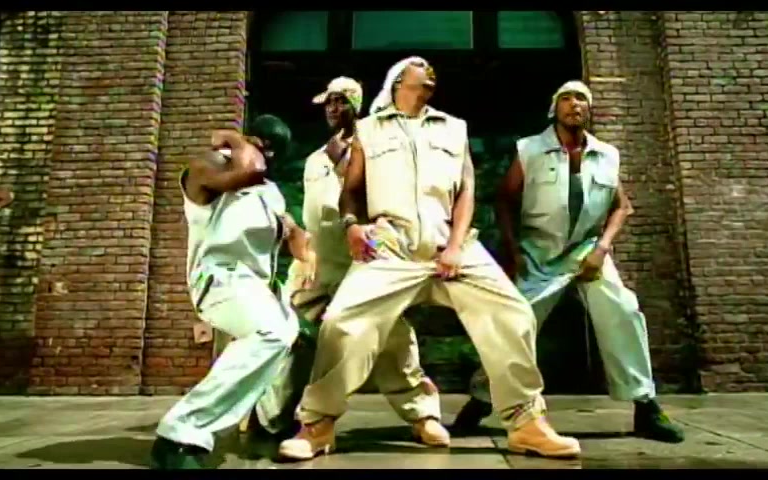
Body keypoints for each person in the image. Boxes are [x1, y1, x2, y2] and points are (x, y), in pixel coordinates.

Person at [277, 57, 581, 462]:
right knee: (343, 323)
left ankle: (527, 423)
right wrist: (352, 226)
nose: (429, 70)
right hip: (390, 246)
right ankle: (317, 425)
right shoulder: (369, 129)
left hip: (449, 243)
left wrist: (455, 246)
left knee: (514, 314)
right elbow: (351, 190)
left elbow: (467, 190)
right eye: (419, 67)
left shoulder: (454, 128)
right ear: (399, 82)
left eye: (431, 69)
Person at [452, 80, 685, 444]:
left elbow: (621, 206)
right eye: (566, 98)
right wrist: (513, 252)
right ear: (554, 109)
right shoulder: (530, 149)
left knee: (622, 310)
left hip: (586, 250)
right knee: (515, 323)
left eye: (581, 99)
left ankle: (646, 406)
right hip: (539, 252)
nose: (574, 104)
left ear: (588, 110)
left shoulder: (606, 154)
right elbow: (505, 200)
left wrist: (602, 248)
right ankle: (482, 399)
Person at [262, 76, 450, 448]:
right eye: (328, 103)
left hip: (362, 262)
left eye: (340, 102)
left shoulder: (377, 149)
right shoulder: (316, 158)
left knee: (393, 337)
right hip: (318, 264)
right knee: (286, 333)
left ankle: (423, 415)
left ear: (356, 105)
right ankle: (270, 417)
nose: (333, 109)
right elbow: (314, 212)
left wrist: (342, 166)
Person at [150, 114, 315, 469]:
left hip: (257, 288)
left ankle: (270, 420)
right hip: (219, 279)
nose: (268, 155)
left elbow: (291, 232)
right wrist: (236, 139)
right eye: (263, 145)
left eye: (274, 151)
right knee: (272, 332)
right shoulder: (207, 166)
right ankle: (179, 435)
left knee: (297, 335)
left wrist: (301, 243)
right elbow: (250, 170)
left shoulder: (269, 194)